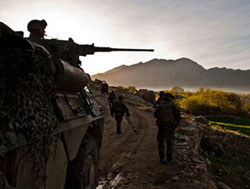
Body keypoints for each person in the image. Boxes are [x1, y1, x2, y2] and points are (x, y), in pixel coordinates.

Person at [154, 93, 181, 163]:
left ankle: (162, 158)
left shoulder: (160, 106)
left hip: (161, 127)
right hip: (170, 127)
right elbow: (178, 117)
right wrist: (175, 125)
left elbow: (155, 115)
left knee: (161, 142)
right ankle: (169, 158)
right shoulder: (173, 106)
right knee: (169, 143)